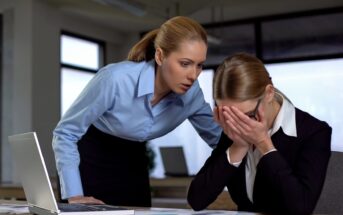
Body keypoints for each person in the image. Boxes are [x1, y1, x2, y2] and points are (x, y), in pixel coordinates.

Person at [52, 16, 222, 207]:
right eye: (184, 63)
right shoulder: (115, 79)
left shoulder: (193, 95)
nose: (193, 75)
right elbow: (65, 133)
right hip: (91, 157)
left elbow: (221, 141)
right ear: (159, 56)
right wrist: (74, 194)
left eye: (199, 65)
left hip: (133, 160)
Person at [187, 53, 332, 215]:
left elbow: (300, 209)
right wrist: (238, 147)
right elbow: (196, 199)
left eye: (248, 115)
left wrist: (264, 144)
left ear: (269, 93)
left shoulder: (314, 132)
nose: (239, 124)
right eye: (229, 115)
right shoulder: (233, 129)